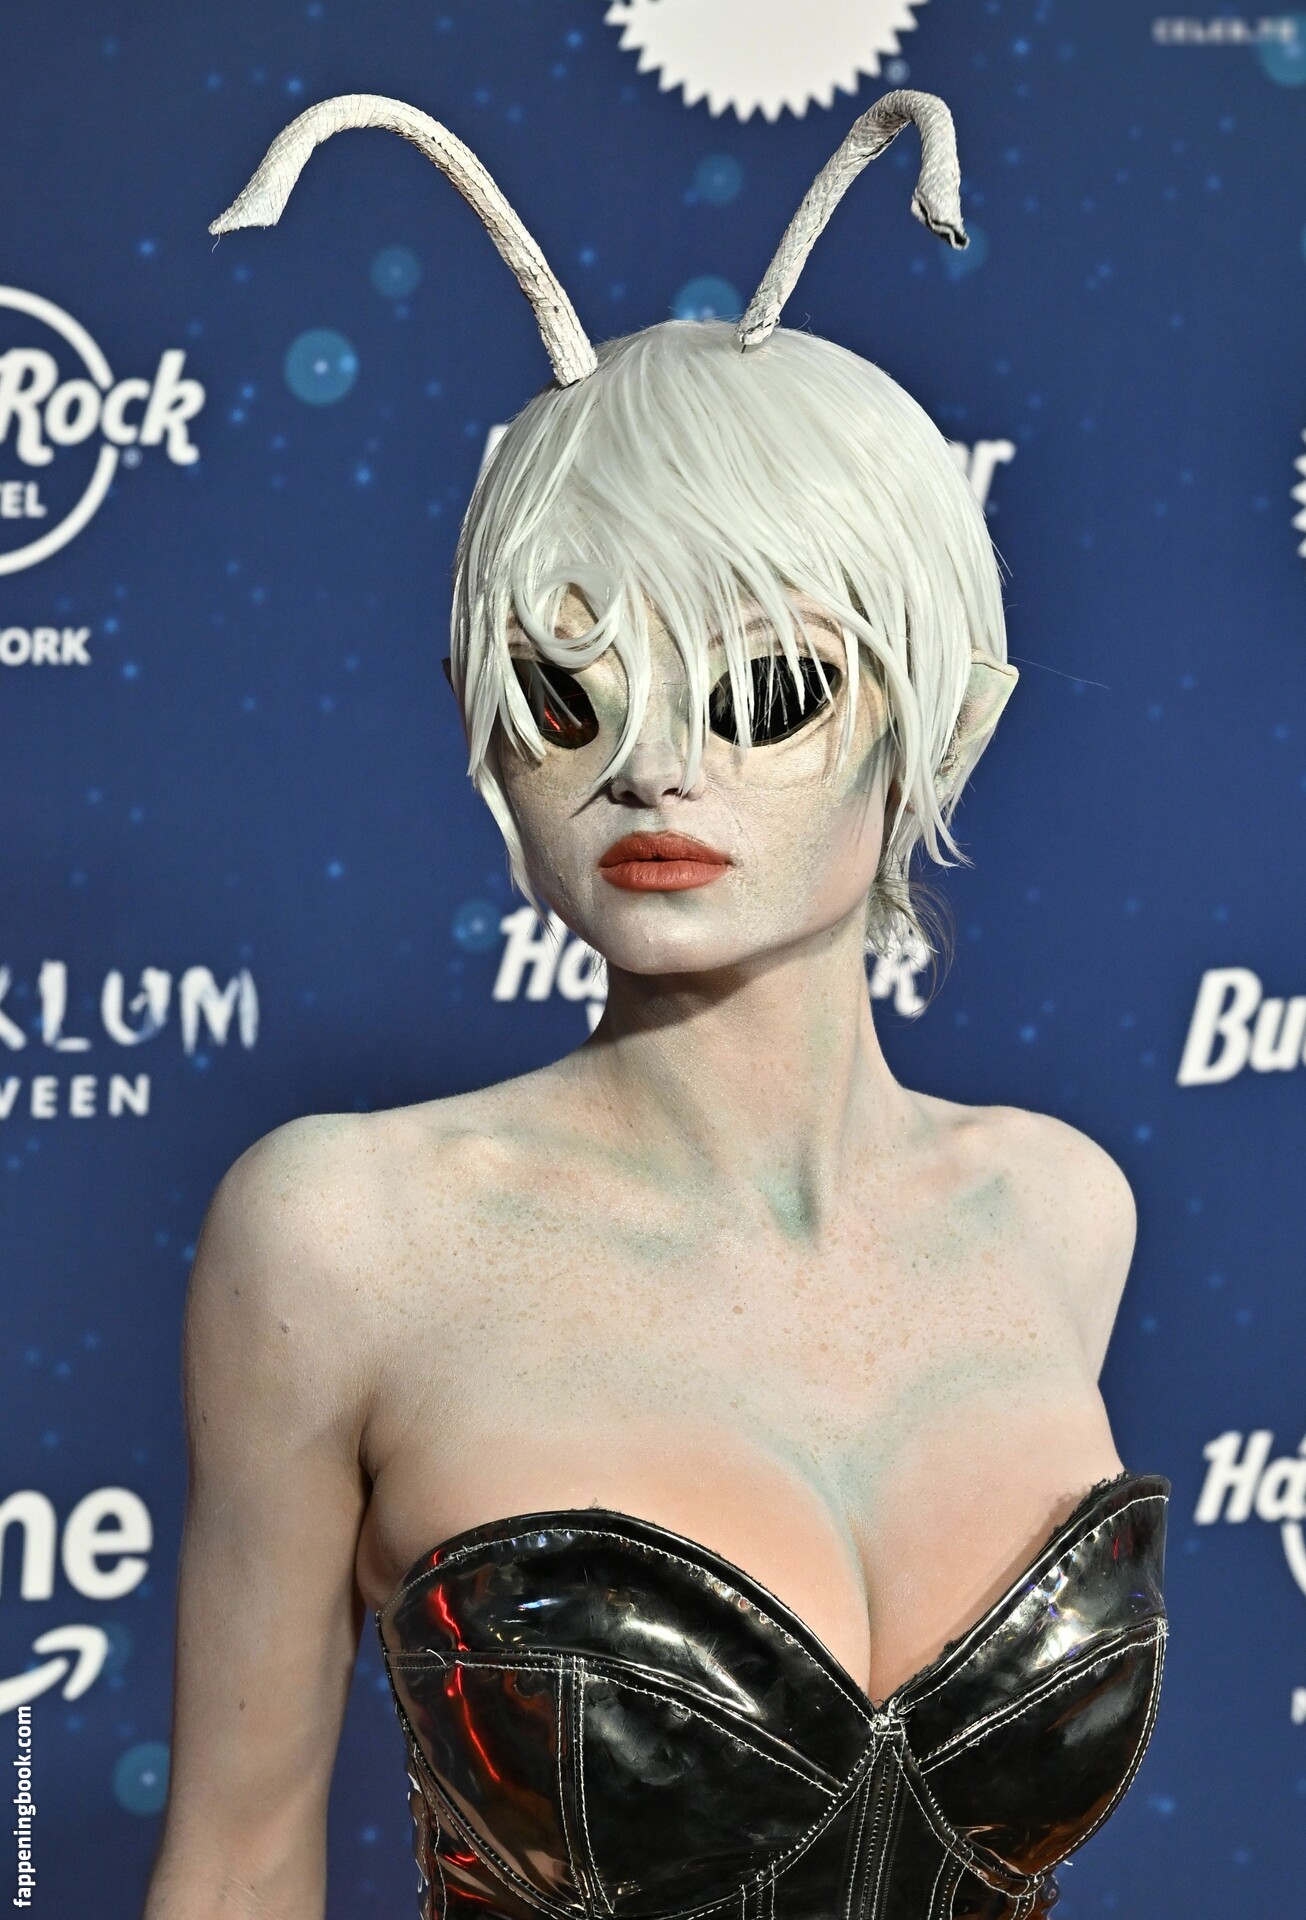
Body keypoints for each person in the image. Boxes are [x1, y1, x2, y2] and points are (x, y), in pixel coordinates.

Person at [143, 90, 1168, 1920]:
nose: (653, 771)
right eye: (566, 697)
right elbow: (235, 1862)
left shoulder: (1056, 1213)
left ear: (942, 713)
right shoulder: (341, 1237)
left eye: (765, 690)